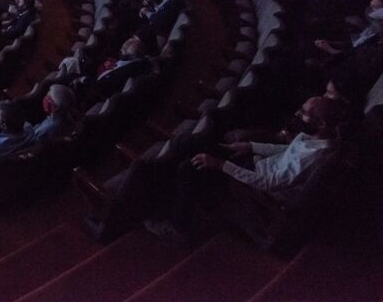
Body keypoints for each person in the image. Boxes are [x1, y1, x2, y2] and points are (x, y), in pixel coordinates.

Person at [144, 96, 345, 243]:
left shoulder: (314, 157)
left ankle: (180, 226)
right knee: (189, 142)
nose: (298, 114)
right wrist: (250, 146)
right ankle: (167, 195)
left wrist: (221, 165)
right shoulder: (318, 137)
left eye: (304, 113)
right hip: (256, 165)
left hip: (255, 186)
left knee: (188, 168)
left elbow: (268, 183)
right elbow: (287, 149)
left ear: (321, 123)